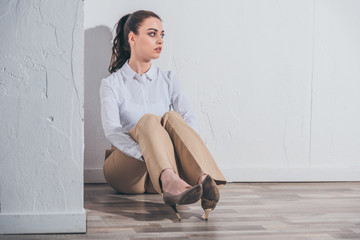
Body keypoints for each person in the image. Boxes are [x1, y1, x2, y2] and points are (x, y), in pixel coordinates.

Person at [100, 10, 226, 221]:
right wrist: (147, 152)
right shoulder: (112, 84)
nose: (160, 40)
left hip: (159, 175)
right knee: (149, 120)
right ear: (132, 38)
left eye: (162, 35)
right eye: (152, 34)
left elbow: (189, 120)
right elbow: (112, 131)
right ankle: (170, 180)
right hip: (127, 172)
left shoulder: (168, 78)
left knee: (173, 118)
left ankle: (203, 179)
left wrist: (178, 153)